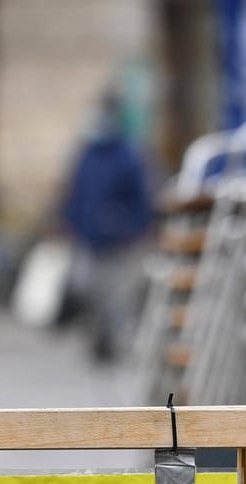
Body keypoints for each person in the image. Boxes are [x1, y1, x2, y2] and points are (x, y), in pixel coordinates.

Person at [60, 90, 153, 363]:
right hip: (88, 237)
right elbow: (74, 193)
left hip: (119, 241)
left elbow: (141, 199)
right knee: (87, 289)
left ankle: (111, 342)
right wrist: (68, 222)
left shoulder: (129, 156)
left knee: (116, 297)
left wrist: (134, 228)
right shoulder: (86, 154)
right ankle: (96, 336)